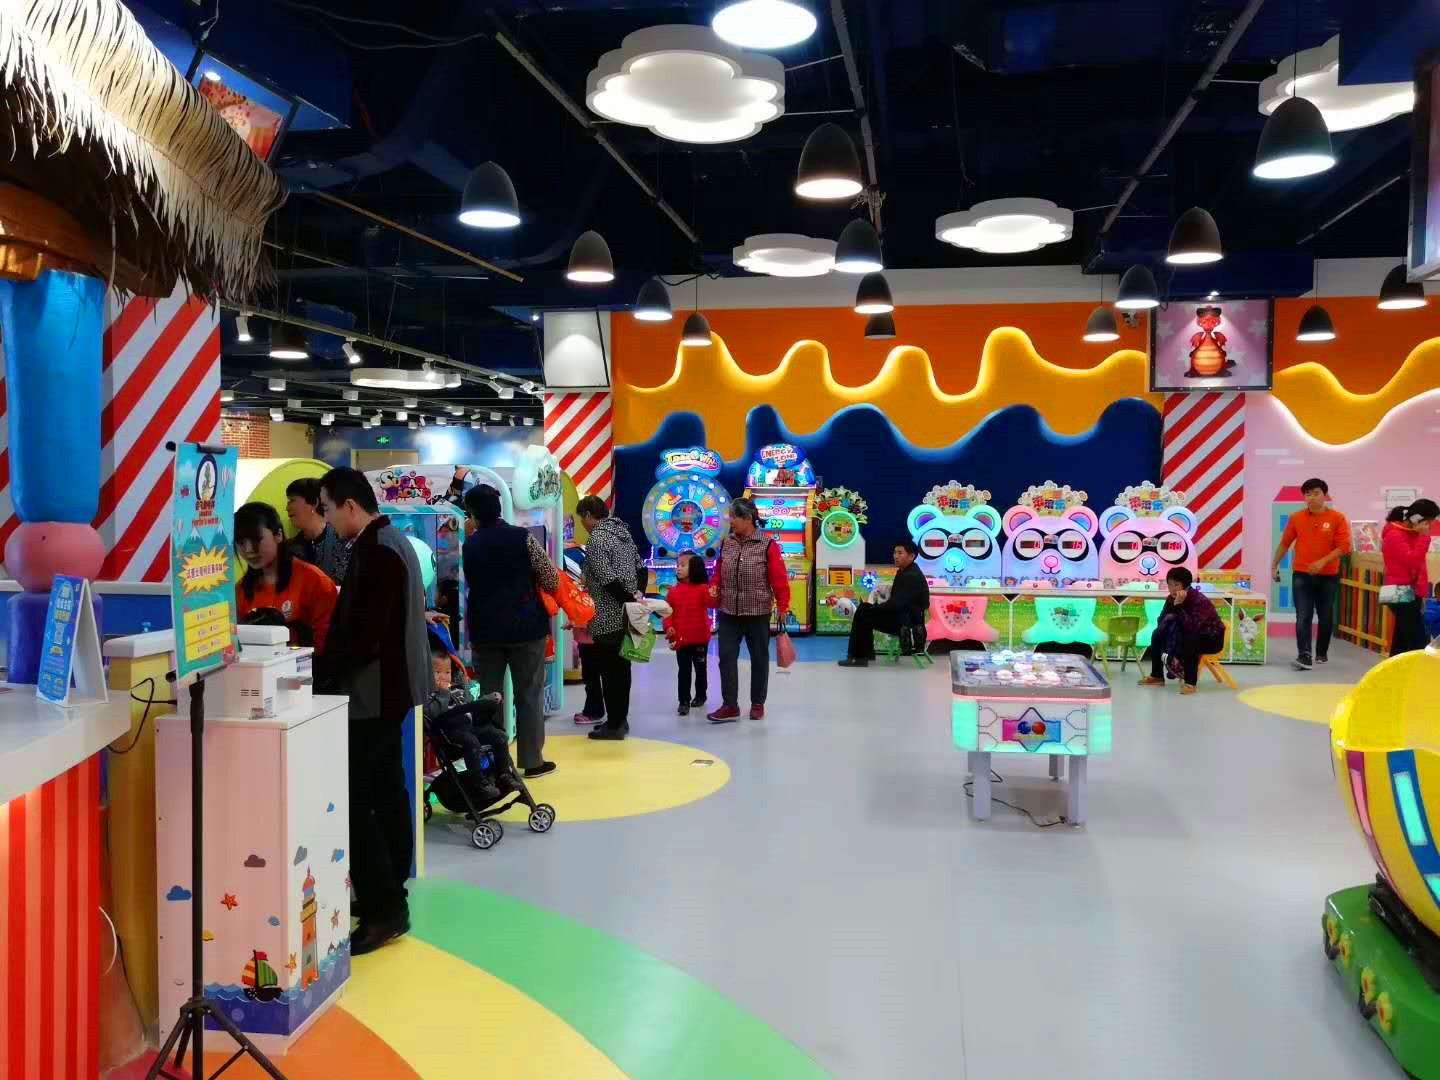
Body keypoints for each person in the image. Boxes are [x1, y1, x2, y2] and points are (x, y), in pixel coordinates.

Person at [318, 466, 430, 956]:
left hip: (374, 693)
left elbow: (366, 633)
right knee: (386, 793)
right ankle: (389, 893)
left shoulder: (377, 551)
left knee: (360, 800)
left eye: (327, 509)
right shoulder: (390, 543)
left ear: (349, 505)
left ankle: (384, 906)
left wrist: (324, 672)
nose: (326, 519)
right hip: (388, 691)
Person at [461, 484, 558, 778]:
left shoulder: (470, 545)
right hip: (526, 627)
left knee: (489, 698)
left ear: (473, 514)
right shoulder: (523, 537)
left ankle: (494, 764)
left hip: (486, 631)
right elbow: (551, 578)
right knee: (528, 694)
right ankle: (532, 761)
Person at [708, 497, 790, 724]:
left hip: (757, 612)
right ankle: (730, 705)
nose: (730, 521)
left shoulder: (767, 545)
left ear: (747, 518)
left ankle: (757, 704)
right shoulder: (727, 542)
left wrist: (783, 605)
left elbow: (779, 578)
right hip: (728, 611)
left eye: (733, 517)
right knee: (726, 657)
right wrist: (714, 584)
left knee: (759, 658)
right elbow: (719, 570)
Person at [575, 495, 643, 741]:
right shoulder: (623, 533)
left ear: (588, 515)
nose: (582, 524)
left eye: (581, 518)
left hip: (607, 615)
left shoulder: (597, 538)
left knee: (610, 671)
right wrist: (636, 598)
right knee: (623, 668)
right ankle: (620, 718)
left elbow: (606, 578)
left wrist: (627, 599)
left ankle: (613, 725)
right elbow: (641, 568)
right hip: (627, 616)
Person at [1271, 478, 1351, 671]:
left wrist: (1322, 562)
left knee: (1325, 616)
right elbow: (1285, 543)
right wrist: (1274, 564)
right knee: (1303, 615)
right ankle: (1304, 655)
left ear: (1325, 495)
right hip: (1302, 574)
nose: (1312, 497)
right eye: (1308, 494)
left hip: (1328, 575)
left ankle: (1321, 651)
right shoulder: (1296, 518)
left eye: (1316, 493)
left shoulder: (1337, 518)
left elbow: (1344, 547)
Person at [234, 501, 337, 650]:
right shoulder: (240, 591)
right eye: (241, 542)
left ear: (278, 535)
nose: (249, 549)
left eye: (257, 539)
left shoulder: (315, 581)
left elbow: (330, 643)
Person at [838, 540, 931, 667]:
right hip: (902, 617)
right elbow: (897, 601)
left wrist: (875, 608)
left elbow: (896, 604)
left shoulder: (911, 575)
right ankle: (864, 655)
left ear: (911, 556)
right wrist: (874, 606)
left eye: (900, 553)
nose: (895, 556)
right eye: (895, 552)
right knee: (864, 608)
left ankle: (858, 657)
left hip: (904, 624)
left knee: (863, 613)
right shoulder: (905, 571)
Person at [1139, 567, 1226, 694]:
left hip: (1212, 638)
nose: (1172, 588)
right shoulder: (1171, 598)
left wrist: (1178, 606)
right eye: (1169, 584)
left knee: (1190, 640)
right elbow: (1161, 620)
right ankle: (1157, 676)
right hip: (1186, 634)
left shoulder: (1199, 600)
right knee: (1156, 634)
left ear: (1186, 586)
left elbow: (1192, 627)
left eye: (1176, 585)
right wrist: (1174, 609)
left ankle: (1190, 683)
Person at [1382, 499, 1439, 656]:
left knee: (1402, 638)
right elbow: (1412, 560)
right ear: (1417, 518)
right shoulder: (1394, 535)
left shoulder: (1411, 534)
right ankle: (1417, 668)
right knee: (1417, 639)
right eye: (1429, 522)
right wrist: (1424, 537)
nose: (1430, 526)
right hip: (1398, 590)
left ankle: (1396, 667)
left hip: (1412, 590)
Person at [663, 553, 715, 715]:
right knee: (684, 671)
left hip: (700, 638)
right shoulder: (673, 591)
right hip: (681, 639)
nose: (678, 568)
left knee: (701, 669)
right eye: (677, 565)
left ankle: (701, 695)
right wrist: (668, 627)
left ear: (695, 568)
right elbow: (667, 613)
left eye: (683, 565)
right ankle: (683, 701)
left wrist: (714, 593)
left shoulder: (703, 589)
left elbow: (712, 603)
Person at [285, 477, 349, 585]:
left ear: (314, 503)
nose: (287, 508)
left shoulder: (345, 540)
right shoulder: (288, 549)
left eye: (292, 500)